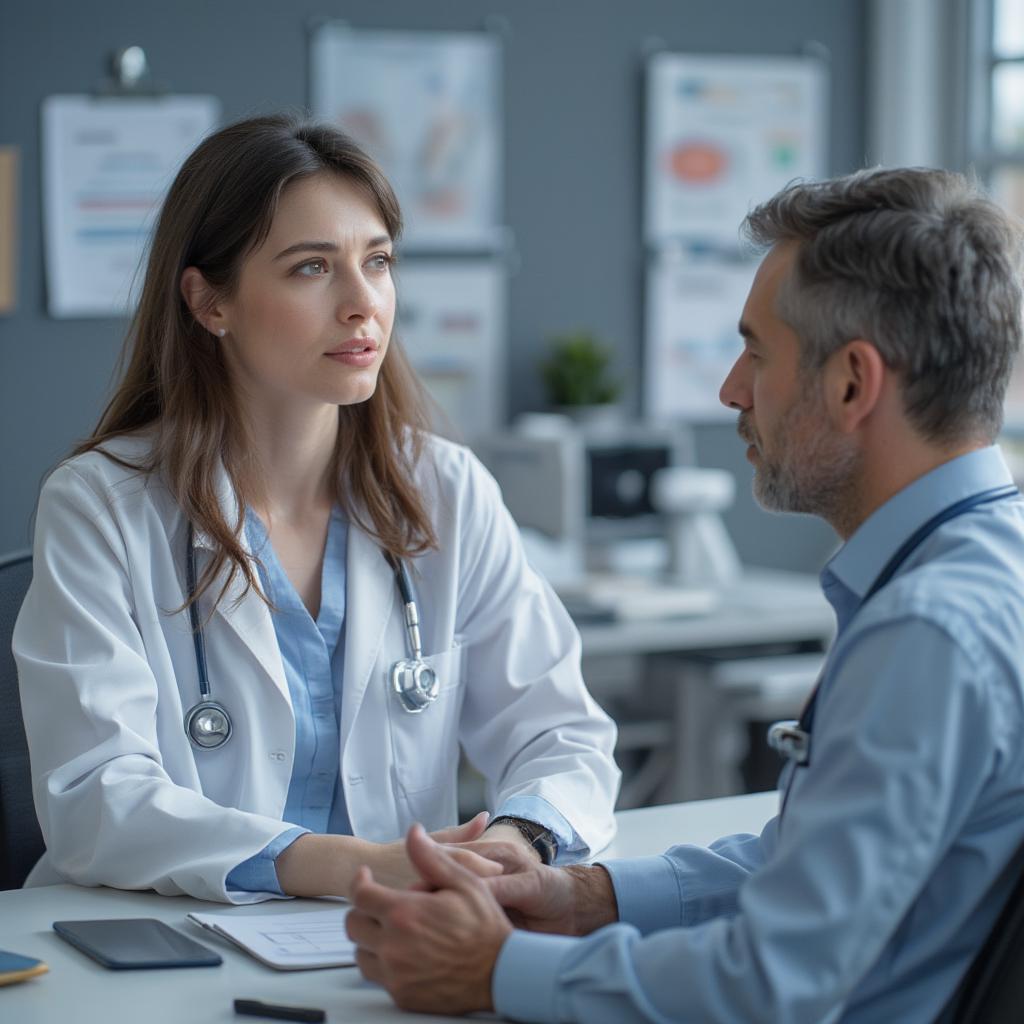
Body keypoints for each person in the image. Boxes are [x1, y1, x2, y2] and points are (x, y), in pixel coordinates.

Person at [346, 167, 1024, 1022]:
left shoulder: (928, 634)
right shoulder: (987, 569)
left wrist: (496, 972)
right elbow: (809, 877)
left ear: (854, 383)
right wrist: (590, 896)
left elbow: (770, 986)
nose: (732, 390)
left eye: (758, 352)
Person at [12, 114, 619, 904]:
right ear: (208, 302)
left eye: (378, 262)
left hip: (389, 939)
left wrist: (515, 839)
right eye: (310, 268)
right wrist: (350, 866)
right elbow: (95, 795)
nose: (363, 303)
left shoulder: (447, 490)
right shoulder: (102, 505)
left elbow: (563, 734)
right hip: (164, 933)